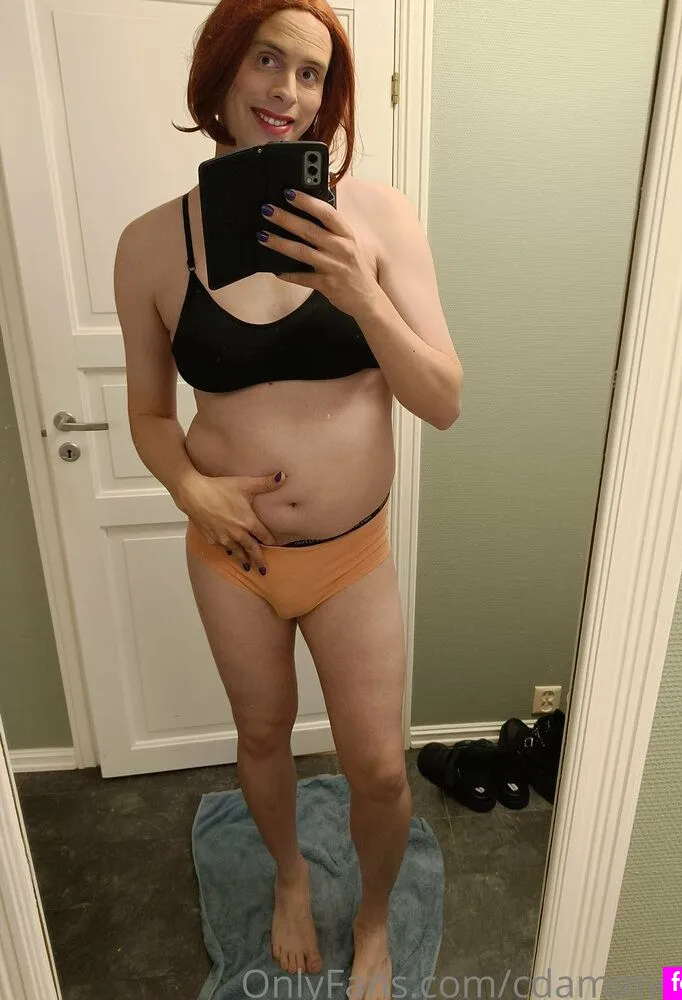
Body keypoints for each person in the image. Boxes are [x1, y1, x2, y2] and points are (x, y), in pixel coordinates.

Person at [112, 0, 462, 993]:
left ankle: (376, 917)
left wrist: (362, 294)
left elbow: (442, 400)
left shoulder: (378, 218)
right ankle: (292, 879)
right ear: (221, 71)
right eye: (268, 61)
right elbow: (147, 413)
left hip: (351, 557)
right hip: (234, 556)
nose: (289, 92)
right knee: (262, 733)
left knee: (379, 767)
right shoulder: (150, 246)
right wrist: (190, 487)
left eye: (311, 74)